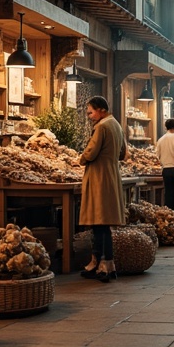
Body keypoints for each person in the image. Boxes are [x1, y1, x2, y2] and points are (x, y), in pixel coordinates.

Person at [77, 95, 127, 282]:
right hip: (112, 175)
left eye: (90, 112)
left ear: (100, 110)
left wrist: (81, 159)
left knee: (100, 222)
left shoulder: (101, 127)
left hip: (99, 178)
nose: (89, 116)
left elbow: (90, 152)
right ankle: (104, 263)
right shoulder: (116, 125)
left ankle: (102, 265)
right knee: (103, 223)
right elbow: (123, 153)